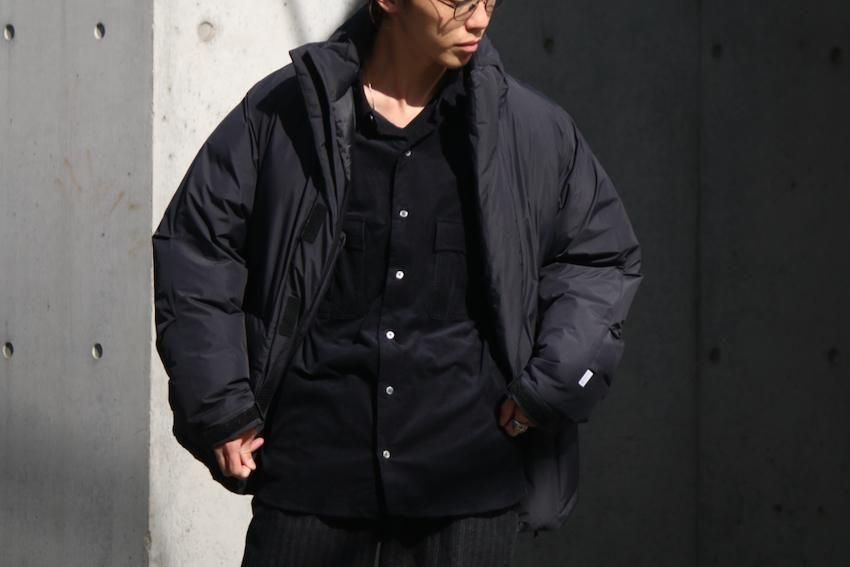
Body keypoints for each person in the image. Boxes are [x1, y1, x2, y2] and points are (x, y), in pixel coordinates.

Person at [152, 0, 643, 565]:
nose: (479, 20)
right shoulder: (286, 115)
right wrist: (220, 406)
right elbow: (197, 246)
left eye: (489, 1)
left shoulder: (530, 131)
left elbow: (599, 256)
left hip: (468, 486)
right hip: (312, 479)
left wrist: (551, 384)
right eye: (458, 1)